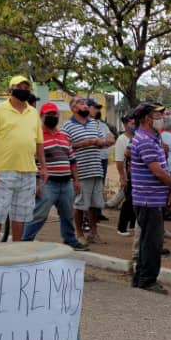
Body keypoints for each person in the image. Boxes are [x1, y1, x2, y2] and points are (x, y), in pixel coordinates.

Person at [0, 75, 46, 242]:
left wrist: (44, 167)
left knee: (21, 215)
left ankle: (16, 250)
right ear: (10, 90)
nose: (23, 91)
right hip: (3, 171)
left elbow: (39, 142)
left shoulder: (33, 113)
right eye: (20, 87)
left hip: (28, 172)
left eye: (26, 88)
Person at [130, 103, 171, 294]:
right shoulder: (145, 140)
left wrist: (169, 191)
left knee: (148, 240)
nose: (162, 117)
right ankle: (148, 280)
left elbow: (161, 168)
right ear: (145, 119)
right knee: (152, 242)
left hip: (152, 198)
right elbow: (158, 171)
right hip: (147, 199)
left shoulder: (153, 138)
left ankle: (141, 277)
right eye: (157, 115)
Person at [22, 103, 87, 250]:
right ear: (41, 116)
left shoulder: (63, 137)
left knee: (68, 214)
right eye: (48, 114)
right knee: (39, 214)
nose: (52, 117)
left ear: (58, 116)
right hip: (47, 183)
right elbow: (31, 162)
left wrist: (76, 180)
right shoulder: (37, 137)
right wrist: (36, 184)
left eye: (54, 114)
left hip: (66, 183)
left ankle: (70, 240)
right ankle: (25, 241)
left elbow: (72, 161)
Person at [63, 96, 114, 244]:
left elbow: (101, 140)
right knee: (80, 204)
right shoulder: (67, 126)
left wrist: (102, 143)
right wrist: (83, 143)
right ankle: (79, 234)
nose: (85, 106)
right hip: (80, 170)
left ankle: (94, 233)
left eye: (85, 103)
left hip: (96, 168)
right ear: (73, 108)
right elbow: (64, 148)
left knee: (95, 204)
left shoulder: (93, 123)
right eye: (81, 103)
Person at [114, 114, 137, 236]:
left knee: (135, 201)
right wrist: (123, 178)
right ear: (125, 124)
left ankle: (133, 225)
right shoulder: (122, 139)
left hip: (137, 175)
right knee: (129, 201)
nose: (134, 126)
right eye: (131, 123)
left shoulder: (137, 137)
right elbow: (119, 161)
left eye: (135, 123)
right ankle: (121, 227)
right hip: (129, 175)